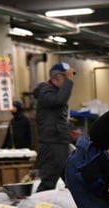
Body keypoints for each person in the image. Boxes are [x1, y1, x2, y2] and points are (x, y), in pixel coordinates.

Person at [33, 62, 75, 192]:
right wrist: (69, 82)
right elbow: (59, 100)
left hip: (60, 141)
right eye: (65, 77)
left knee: (71, 178)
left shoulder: (54, 92)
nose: (68, 80)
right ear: (56, 78)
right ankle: (38, 207)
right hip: (52, 144)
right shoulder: (46, 92)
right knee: (49, 181)